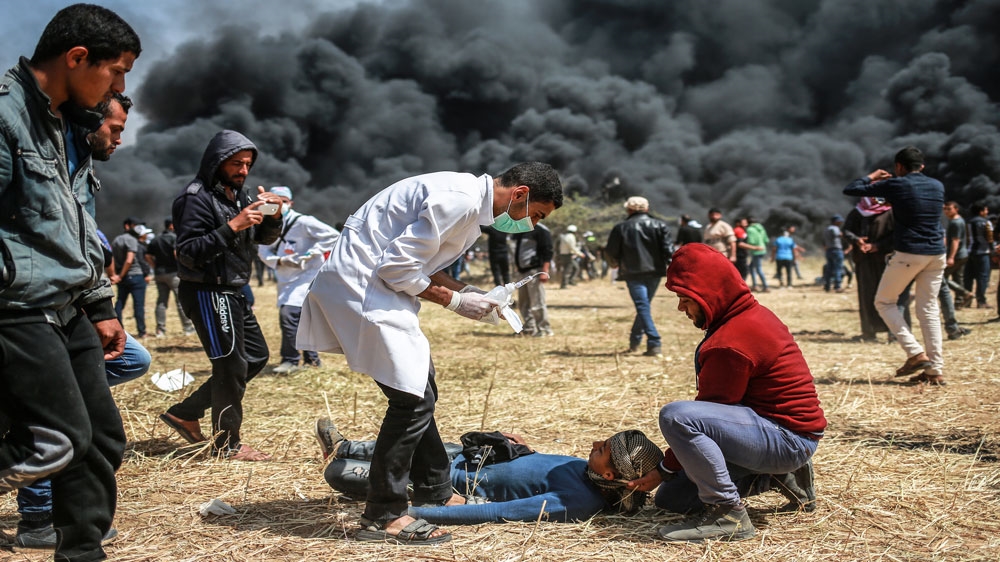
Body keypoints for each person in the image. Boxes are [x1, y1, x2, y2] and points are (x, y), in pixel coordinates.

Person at [297, 162, 563, 545]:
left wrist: (469, 292)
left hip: (376, 288)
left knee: (422, 388)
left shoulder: (468, 204)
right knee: (412, 400)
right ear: (520, 193)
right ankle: (383, 515)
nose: (532, 225)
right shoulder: (460, 201)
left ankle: (435, 490)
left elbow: (422, 264)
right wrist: (456, 302)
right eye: (535, 214)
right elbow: (397, 267)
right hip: (365, 290)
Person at [0, 5, 140, 560]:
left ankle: (83, 554)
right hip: (17, 307)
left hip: (67, 306)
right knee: (57, 439)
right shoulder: (6, 117)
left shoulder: (62, 124)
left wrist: (100, 305)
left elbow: (72, 222)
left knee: (100, 438)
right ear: (78, 58)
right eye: (117, 71)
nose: (119, 88)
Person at [627, 243, 826, 542]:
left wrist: (663, 468)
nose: (681, 308)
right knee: (674, 498)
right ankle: (777, 476)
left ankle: (727, 514)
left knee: (677, 416)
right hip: (772, 431)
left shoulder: (731, 340)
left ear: (709, 295)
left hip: (786, 439)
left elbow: (705, 415)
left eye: (685, 299)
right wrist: (668, 474)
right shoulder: (748, 314)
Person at [159, 130, 284, 461]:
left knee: (255, 357)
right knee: (230, 364)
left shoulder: (239, 197)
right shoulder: (194, 198)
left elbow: (263, 239)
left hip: (234, 289)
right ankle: (226, 444)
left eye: (248, 164)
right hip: (207, 290)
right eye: (236, 163)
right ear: (217, 161)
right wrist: (233, 226)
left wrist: (274, 216)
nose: (243, 171)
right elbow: (188, 252)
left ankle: (185, 412)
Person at [317, 419, 664, 524]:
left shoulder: (577, 502)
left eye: (602, 449)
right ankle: (343, 445)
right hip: (467, 458)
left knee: (338, 474)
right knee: (420, 441)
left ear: (610, 476)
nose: (595, 443)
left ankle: (343, 460)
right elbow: (538, 468)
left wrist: (410, 513)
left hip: (439, 483)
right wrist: (523, 449)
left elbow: (497, 512)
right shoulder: (586, 470)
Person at [844, 146, 947, 385]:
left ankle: (915, 353)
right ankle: (935, 370)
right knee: (929, 310)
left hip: (910, 252)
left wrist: (873, 176)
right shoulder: (937, 185)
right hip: (936, 254)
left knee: (884, 302)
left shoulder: (896, 184)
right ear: (922, 166)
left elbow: (851, 189)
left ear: (899, 166)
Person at [257, 186, 339, 374]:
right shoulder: (266, 223)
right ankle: (312, 359)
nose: (279, 205)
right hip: (286, 276)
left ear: (290, 203)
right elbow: (262, 250)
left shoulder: (304, 222)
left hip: (306, 276)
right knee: (301, 317)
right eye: (274, 201)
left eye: (283, 201)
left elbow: (333, 236)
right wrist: (280, 261)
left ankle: (290, 359)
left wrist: (312, 253)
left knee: (288, 315)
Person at [605, 196, 674, 356]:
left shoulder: (621, 227)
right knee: (644, 306)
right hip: (655, 272)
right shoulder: (659, 225)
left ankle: (654, 341)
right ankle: (635, 341)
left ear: (629, 210)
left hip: (632, 272)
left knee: (643, 306)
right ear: (647, 209)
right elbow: (669, 251)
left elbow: (610, 251)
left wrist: (613, 263)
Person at [842, 198, 895, 341]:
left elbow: (897, 234)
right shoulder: (857, 212)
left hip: (885, 259)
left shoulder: (890, 212)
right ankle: (869, 332)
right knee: (866, 295)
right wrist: (856, 240)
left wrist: (878, 245)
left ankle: (893, 331)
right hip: (864, 260)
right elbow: (846, 230)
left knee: (888, 295)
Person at [145, 217, 196, 336]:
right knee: (180, 302)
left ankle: (160, 330)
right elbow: (176, 254)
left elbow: (147, 256)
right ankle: (188, 328)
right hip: (173, 274)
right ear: (171, 226)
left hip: (159, 274)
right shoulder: (174, 238)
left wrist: (155, 266)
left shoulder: (156, 239)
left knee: (161, 302)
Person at [512, 222, 555, 337]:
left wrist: (545, 271)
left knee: (537, 302)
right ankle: (529, 328)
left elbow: (548, 251)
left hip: (534, 271)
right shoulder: (520, 228)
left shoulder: (540, 229)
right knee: (523, 303)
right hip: (522, 272)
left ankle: (544, 329)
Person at [111, 217, 150, 337]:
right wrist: (121, 275)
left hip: (122, 278)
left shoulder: (116, 240)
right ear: (127, 226)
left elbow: (112, 258)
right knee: (138, 305)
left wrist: (116, 275)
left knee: (119, 303)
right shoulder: (132, 240)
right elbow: (129, 260)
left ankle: (118, 329)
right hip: (135, 276)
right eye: (136, 226)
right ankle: (142, 331)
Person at [963, 203, 994, 309]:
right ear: (981, 211)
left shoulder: (967, 222)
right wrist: (992, 251)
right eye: (986, 210)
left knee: (968, 277)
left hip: (969, 251)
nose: (987, 212)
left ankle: (967, 299)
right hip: (982, 252)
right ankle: (981, 301)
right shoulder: (986, 222)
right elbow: (990, 238)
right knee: (982, 277)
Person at [942, 202, 973, 309]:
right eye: (945, 209)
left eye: (949, 209)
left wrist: (951, 257)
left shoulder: (956, 222)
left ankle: (964, 293)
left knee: (941, 277)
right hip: (962, 254)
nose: (946, 211)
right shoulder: (957, 221)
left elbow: (956, 241)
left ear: (956, 209)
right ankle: (959, 302)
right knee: (958, 278)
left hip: (957, 255)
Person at [745, 217, 769, 292]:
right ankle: (755, 285)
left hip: (756, 250)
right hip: (763, 249)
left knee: (758, 269)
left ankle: (766, 286)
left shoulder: (750, 229)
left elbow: (751, 241)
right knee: (751, 267)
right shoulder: (761, 228)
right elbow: (766, 240)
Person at [823, 215, 846, 293]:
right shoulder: (835, 228)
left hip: (829, 250)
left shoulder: (826, 229)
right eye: (839, 221)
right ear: (835, 221)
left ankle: (827, 286)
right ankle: (837, 286)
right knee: (838, 269)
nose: (841, 223)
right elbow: (839, 235)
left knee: (829, 269)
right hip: (836, 250)